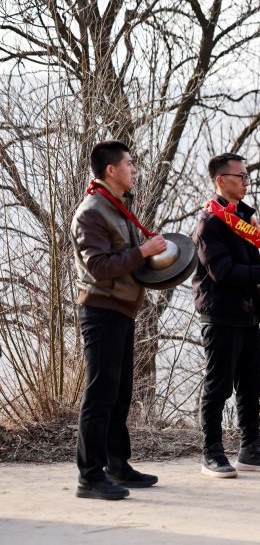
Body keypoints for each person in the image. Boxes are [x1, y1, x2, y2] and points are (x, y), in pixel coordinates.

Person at [71, 140, 166, 500]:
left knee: (120, 391)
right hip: (101, 308)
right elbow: (98, 268)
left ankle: (117, 464)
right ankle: (89, 477)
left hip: (122, 308)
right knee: (100, 393)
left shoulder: (116, 207)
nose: (134, 169)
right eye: (129, 164)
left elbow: (126, 258)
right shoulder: (92, 211)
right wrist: (143, 251)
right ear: (111, 170)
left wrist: (155, 256)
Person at [192, 153, 260, 478]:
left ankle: (250, 450)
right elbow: (223, 272)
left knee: (252, 385)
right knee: (218, 386)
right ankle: (213, 454)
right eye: (241, 177)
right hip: (220, 314)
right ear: (221, 180)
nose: (247, 182)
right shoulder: (211, 222)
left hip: (248, 314)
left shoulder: (243, 218)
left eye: (248, 176)